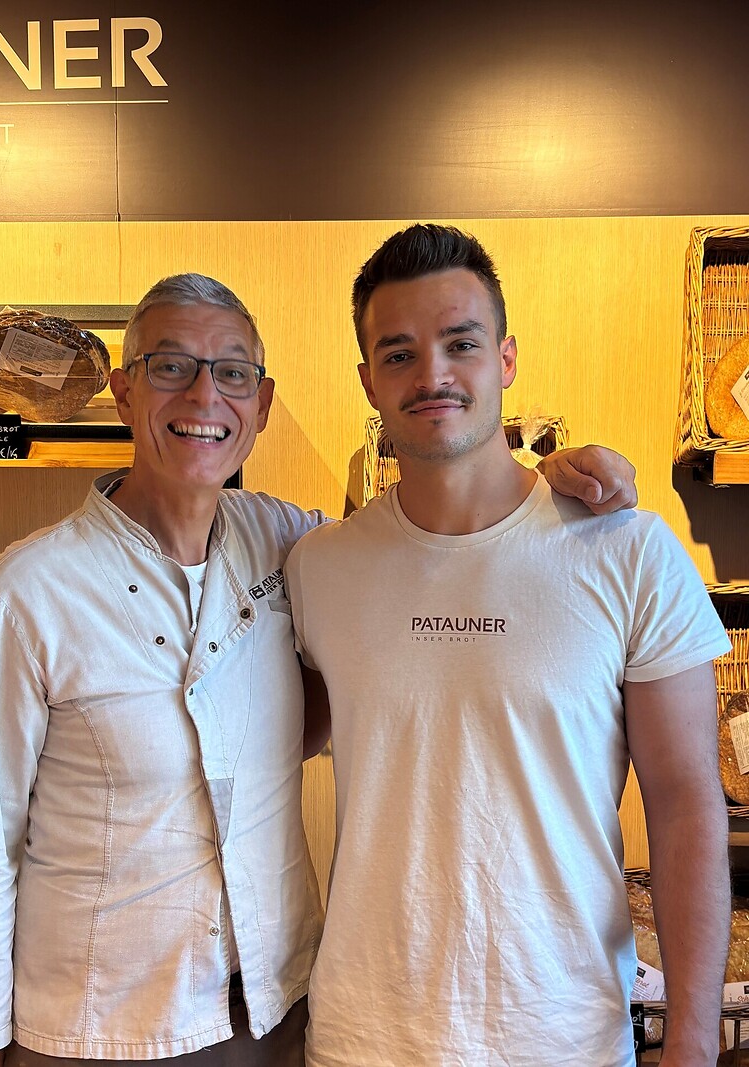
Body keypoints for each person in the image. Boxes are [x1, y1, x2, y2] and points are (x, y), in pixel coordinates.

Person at [0, 272, 637, 1067]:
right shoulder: (23, 593)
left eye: (232, 371)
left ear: (263, 402)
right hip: (101, 1026)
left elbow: (428, 547)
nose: (204, 394)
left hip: (276, 1017)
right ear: (125, 391)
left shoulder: (290, 542)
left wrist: (549, 484)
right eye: (171, 365)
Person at [283, 225, 732, 1067]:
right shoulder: (319, 566)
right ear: (368, 379)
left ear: (507, 358)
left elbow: (684, 804)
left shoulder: (627, 549)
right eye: (399, 353)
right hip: (362, 1038)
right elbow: (265, 733)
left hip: (564, 1034)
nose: (433, 375)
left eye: (461, 343)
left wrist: (695, 1040)